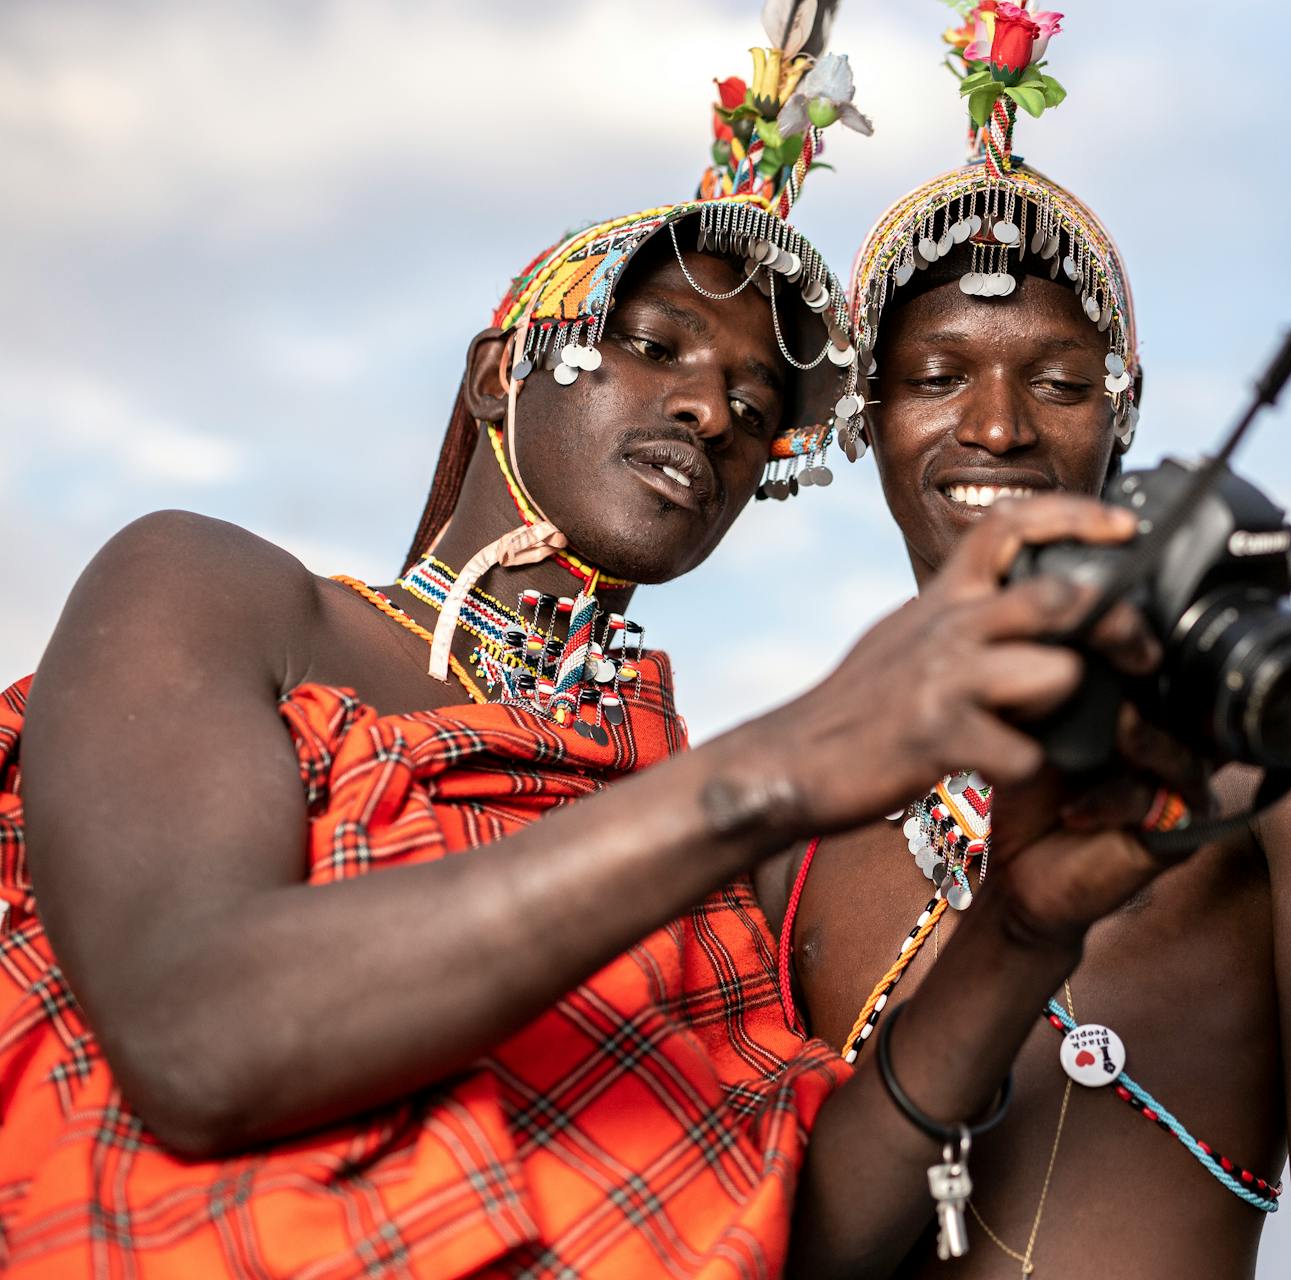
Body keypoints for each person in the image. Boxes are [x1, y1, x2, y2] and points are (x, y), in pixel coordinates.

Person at [0, 16, 1198, 1278]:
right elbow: (194, 1038)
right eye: (655, 345)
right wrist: (769, 769)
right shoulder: (214, 588)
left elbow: (805, 1241)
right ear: (497, 373)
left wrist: (1017, 927)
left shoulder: (680, 826)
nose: (709, 411)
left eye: (754, 410)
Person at [761, 6, 1291, 1276]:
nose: (999, 426)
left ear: (1121, 415)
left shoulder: (1289, 720)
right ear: (868, 420)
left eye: (1060, 381)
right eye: (936, 376)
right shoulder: (798, 813)